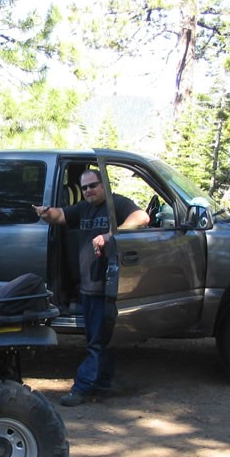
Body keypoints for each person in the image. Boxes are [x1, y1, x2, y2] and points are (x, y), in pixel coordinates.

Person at [33, 169, 149, 407]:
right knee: (101, 338)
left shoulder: (117, 203)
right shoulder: (83, 208)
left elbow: (142, 217)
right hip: (88, 285)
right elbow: (60, 216)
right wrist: (46, 213)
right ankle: (105, 384)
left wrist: (110, 235)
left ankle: (83, 388)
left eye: (93, 185)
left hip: (106, 285)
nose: (88, 191)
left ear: (104, 185)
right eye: (84, 187)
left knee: (96, 340)